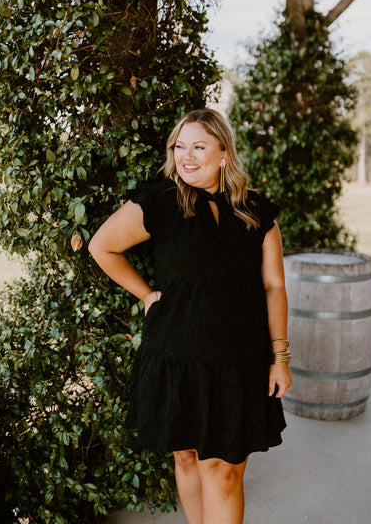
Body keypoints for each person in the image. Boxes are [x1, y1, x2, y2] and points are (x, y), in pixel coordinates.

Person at [88, 108, 292, 524]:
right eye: (179, 147)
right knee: (185, 456)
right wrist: (146, 293)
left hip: (239, 361)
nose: (186, 156)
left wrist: (280, 358)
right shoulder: (159, 201)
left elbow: (274, 287)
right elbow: (102, 246)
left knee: (223, 468)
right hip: (175, 356)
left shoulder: (257, 214)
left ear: (223, 152)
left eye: (198, 146)